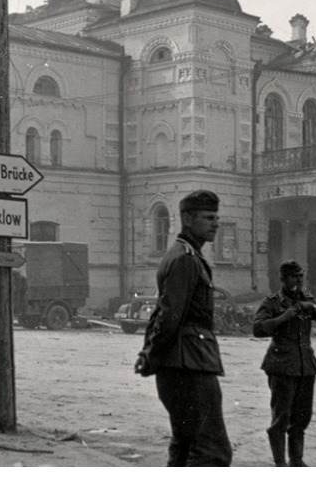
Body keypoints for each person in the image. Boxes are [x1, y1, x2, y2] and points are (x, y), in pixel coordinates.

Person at [134, 190, 231, 466]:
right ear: (188, 219)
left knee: (185, 446)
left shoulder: (180, 254)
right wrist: (150, 355)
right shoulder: (186, 259)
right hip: (189, 364)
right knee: (212, 452)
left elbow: (161, 311)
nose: (215, 223)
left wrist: (148, 354)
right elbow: (169, 316)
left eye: (216, 217)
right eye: (208, 217)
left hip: (182, 362)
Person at [253, 260, 316, 466]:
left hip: (305, 366)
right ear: (283, 279)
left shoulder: (307, 300)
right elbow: (258, 328)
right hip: (281, 365)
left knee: (302, 417)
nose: (298, 280)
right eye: (294, 276)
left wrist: (313, 309)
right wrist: (284, 317)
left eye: (301, 276)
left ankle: (297, 461)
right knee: (281, 418)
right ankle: (281, 464)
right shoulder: (272, 302)